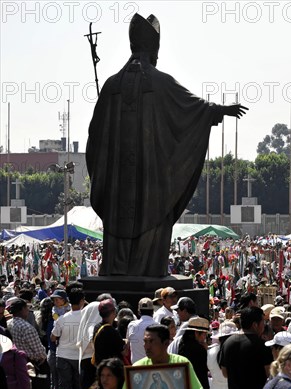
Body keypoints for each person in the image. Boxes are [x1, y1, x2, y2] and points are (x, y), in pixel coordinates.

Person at [87, 13, 247, 277]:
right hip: (152, 187)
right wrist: (219, 110)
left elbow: (96, 139)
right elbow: (191, 109)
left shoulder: (110, 86)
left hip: (116, 190)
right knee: (154, 216)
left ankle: (116, 270)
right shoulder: (161, 83)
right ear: (155, 49)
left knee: (120, 225)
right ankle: (149, 270)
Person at [120, 324, 205, 389]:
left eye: (151, 341)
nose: (147, 346)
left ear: (166, 343)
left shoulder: (181, 363)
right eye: (145, 341)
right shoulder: (137, 368)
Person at [219, 306, 273, 389]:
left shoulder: (227, 343)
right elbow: (269, 373)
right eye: (263, 322)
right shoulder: (262, 345)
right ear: (255, 325)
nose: (264, 326)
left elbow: (225, 373)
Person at [51, 288, 86, 389]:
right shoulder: (87, 319)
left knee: (65, 388)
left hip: (63, 356)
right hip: (80, 357)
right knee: (79, 386)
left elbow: (53, 337)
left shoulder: (61, 319)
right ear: (82, 301)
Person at [177, 316, 211, 389]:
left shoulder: (182, 344)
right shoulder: (199, 349)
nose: (204, 338)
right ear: (196, 333)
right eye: (204, 334)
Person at [92, 299, 125, 365]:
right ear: (113, 313)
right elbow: (124, 352)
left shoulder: (97, 327)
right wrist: (127, 342)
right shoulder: (112, 331)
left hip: (100, 367)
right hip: (111, 368)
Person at [126, 297, 157, 364]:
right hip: (153, 367)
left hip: (135, 368)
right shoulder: (158, 325)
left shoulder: (131, 325)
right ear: (152, 311)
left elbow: (127, 346)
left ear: (139, 311)